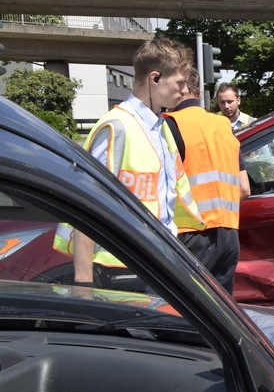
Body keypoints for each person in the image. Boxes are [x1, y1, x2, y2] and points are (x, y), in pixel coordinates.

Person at [54, 38, 205, 285]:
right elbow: (87, 202)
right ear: (155, 79)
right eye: (179, 83)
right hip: (121, 267)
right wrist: (84, 282)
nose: (185, 90)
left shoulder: (160, 126)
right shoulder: (117, 127)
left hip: (155, 259)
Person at [164, 68, 250, 294]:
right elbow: (244, 188)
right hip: (229, 234)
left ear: (178, 89)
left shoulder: (170, 124)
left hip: (191, 234)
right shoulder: (223, 126)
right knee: (221, 312)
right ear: (199, 94)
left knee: (186, 307)